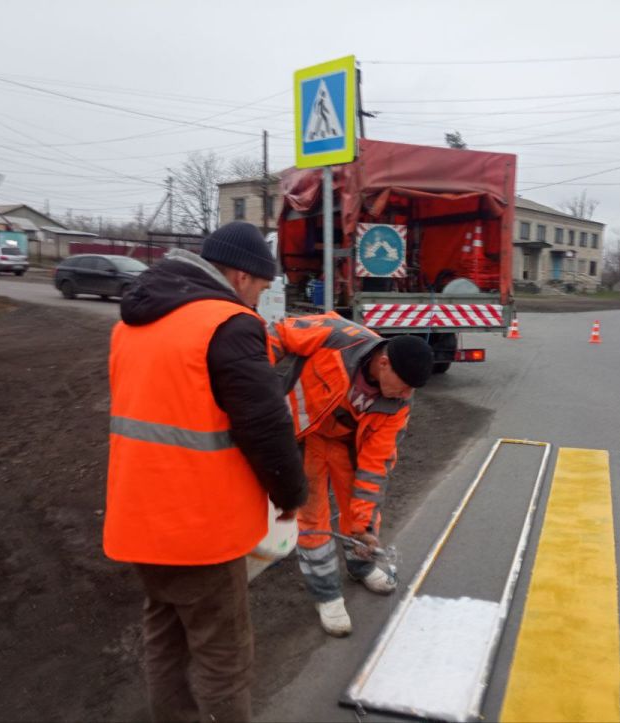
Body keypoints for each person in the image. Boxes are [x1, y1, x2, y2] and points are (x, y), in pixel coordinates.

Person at [103, 221, 308, 722]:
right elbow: (265, 426)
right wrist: (291, 495)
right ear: (240, 277)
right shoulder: (228, 324)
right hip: (198, 530)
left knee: (165, 634)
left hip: (137, 520)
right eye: (261, 286)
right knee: (224, 655)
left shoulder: (133, 321)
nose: (260, 299)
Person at [268, 313, 434, 636]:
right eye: (403, 387)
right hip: (305, 438)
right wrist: (249, 379)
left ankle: (362, 564)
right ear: (383, 364)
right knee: (313, 517)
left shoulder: (397, 405)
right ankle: (326, 594)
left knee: (357, 512)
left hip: (346, 445)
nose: (404, 396)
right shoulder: (336, 336)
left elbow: (376, 466)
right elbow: (275, 334)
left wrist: (364, 527)